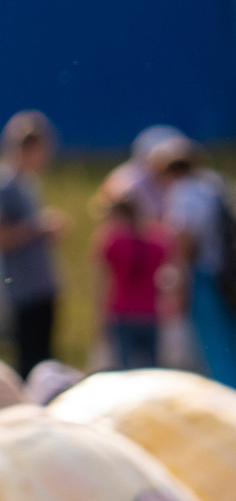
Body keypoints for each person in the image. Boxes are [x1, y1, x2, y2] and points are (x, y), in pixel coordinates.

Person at [0, 111, 66, 376]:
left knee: (45, 358)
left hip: (39, 284)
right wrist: (38, 228)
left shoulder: (27, 181)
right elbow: (0, 237)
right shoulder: (4, 183)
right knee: (31, 362)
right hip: (23, 288)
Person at [154, 135, 236, 384]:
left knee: (213, 342)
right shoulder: (213, 185)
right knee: (228, 336)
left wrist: (176, 278)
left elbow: (185, 238)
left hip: (204, 274)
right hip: (227, 273)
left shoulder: (184, 191)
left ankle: (227, 392)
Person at [93, 191, 171, 371]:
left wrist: (100, 317)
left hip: (122, 311)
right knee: (152, 369)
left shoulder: (112, 242)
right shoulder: (156, 242)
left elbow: (104, 282)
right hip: (150, 312)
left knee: (125, 371)